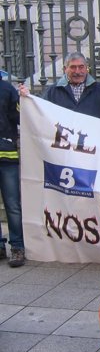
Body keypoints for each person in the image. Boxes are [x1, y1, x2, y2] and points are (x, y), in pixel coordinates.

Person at [39, 52, 100, 120]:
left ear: (87, 68)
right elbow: (42, 116)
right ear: (65, 69)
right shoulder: (52, 92)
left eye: (81, 67)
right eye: (73, 67)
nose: (77, 71)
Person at [0, 74, 25, 267]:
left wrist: (25, 101)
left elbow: (20, 118)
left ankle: (17, 247)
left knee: (13, 205)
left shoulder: (7, 89)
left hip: (6, 155)